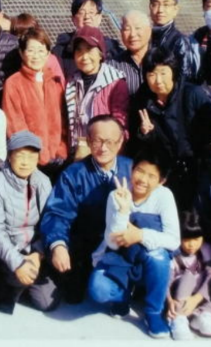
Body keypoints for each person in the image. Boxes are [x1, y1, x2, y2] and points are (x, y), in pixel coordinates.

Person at [40, 115, 133, 304]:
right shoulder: (73, 174)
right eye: (98, 141)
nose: (103, 148)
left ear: (120, 142)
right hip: (85, 246)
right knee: (73, 296)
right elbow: (58, 212)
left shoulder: (133, 169)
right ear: (88, 141)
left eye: (110, 142)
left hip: (124, 243)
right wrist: (58, 245)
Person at [88, 150, 180, 338]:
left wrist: (139, 235)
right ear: (132, 169)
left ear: (161, 181)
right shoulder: (116, 194)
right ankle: (123, 297)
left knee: (159, 256)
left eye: (151, 176)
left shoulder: (164, 196)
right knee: (97, 288)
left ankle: (153, 312)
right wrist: (123, 211)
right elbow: (112, 243)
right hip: (121, 256)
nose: (143, 179)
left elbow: (173, 240)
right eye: (140, 171)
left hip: (148, 258)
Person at [129, 48, 211, 210]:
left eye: (163, 73)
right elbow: (138, 145)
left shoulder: (193, 94)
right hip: (166, 174)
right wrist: (145, 133)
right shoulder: (142, 100)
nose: (158, 80)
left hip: (197, 170)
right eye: (151, 74)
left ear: (174, 72)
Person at [0, 131, 61, 314]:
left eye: (31, 156)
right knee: (6, 292)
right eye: (20, 155)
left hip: (35, 251)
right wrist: (17, 262)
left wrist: (38, 254)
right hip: (10, 250)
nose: (25, 162)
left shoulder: (42, 181)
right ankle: (11, 280)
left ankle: (26, 282)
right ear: (10, 156)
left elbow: (49, 222)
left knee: (47, 303)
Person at [2, 27, 67, 180]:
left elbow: (63, 121)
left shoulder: (55, 82)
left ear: (48, 54)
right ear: (21, 53)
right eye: (31, 50)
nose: (36, 56)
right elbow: (15, 125)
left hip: (57, 160)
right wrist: (37, 154)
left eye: (41, 50)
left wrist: (61, 150)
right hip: (29, 161)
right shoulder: (13, 83)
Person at [64, 26, 129, 161]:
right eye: (79, 50)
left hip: (105, 152)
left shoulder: (115, 82)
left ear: (100, 54)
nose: (84, 57)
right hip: (78, 152)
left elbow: (120, 122)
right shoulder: (71, 81)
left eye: (89, 50)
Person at [166, 209, 211, 340]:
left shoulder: (205, 249)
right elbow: (166, 281)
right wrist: (169, 301)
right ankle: (178, 319)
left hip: (199, 296)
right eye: (186, 239)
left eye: (196, 239)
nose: (191, 244)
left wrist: (196, 299)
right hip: (180, 293)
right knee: (188, 276)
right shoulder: (174, 254)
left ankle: (203, 315)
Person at [52, 0, 124, 79]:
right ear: (73, 18)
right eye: (81, 12)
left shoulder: (114, 51)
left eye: (91, 12)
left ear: (99, 17)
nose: (87, 17)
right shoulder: (61, 51)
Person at [148, 0, 194, 79]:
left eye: (166, 5)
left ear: (175, 9)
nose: (160, 10)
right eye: (155, 4)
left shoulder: (179, 41)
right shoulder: (145, 37)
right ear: (150, 7)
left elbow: (184, 77)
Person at [9, 13, 65, 83]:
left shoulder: (50, 59)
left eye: (30, 31)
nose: (25, 37)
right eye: (19, 35)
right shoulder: (11, 57)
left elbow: (60, 83)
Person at [109, 10, 152, 95]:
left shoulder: (162, 60)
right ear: (121, 33)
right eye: (127, 29)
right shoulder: (112, 66)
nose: (132, 34)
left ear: (149, 31)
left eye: (137, 28)